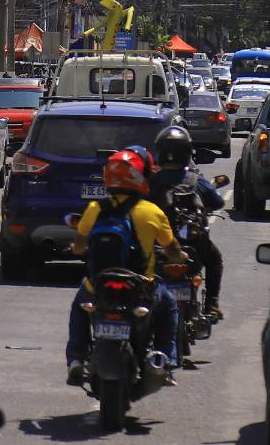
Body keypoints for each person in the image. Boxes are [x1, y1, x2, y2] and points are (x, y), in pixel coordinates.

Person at [65, 149, 186, 387]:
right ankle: (166, 360)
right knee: (169, 309)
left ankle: (76, 360)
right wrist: (179, 256)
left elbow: (79, 247)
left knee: (79, 309)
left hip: (99, 285)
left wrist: (76, 248)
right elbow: (172, 250)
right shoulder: (151, 211)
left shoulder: (95, 209)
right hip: (142, 287)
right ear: (142, 177)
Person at [148, 127, 226, 320]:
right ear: (187, 152)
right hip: (194, 241)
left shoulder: (151, 181)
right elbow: (217, 202)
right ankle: (212, 303)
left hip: (159, 244)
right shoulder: (196, 180)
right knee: (214, 260)